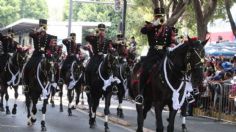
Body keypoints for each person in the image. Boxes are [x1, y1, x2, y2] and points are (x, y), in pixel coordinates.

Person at [135, 7, 178, 104]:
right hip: (153, 53)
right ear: (155, 17)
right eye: (158, 16)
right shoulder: (151, 27)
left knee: (174, 68)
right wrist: (153, 24)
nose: (160, 18)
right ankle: (140, 94)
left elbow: (172, 41)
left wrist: (172, 44)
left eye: (161, 16)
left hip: (164, 53)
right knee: (145, 70)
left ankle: (175, 93)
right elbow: (142, 31)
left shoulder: (168, 29)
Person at [84, 23, 112, 92]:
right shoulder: (94, 39)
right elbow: (86, 38)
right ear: (98, 30)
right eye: (100, 30)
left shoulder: (107, 40)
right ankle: (87, 85)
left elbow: (111, 47)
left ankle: (113, 86)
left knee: (113, 68)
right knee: (88, 68)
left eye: (103, 30)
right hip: (95, 57)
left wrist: (112, 49)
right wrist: (95, 34)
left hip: (103, 57)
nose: (102, 32)